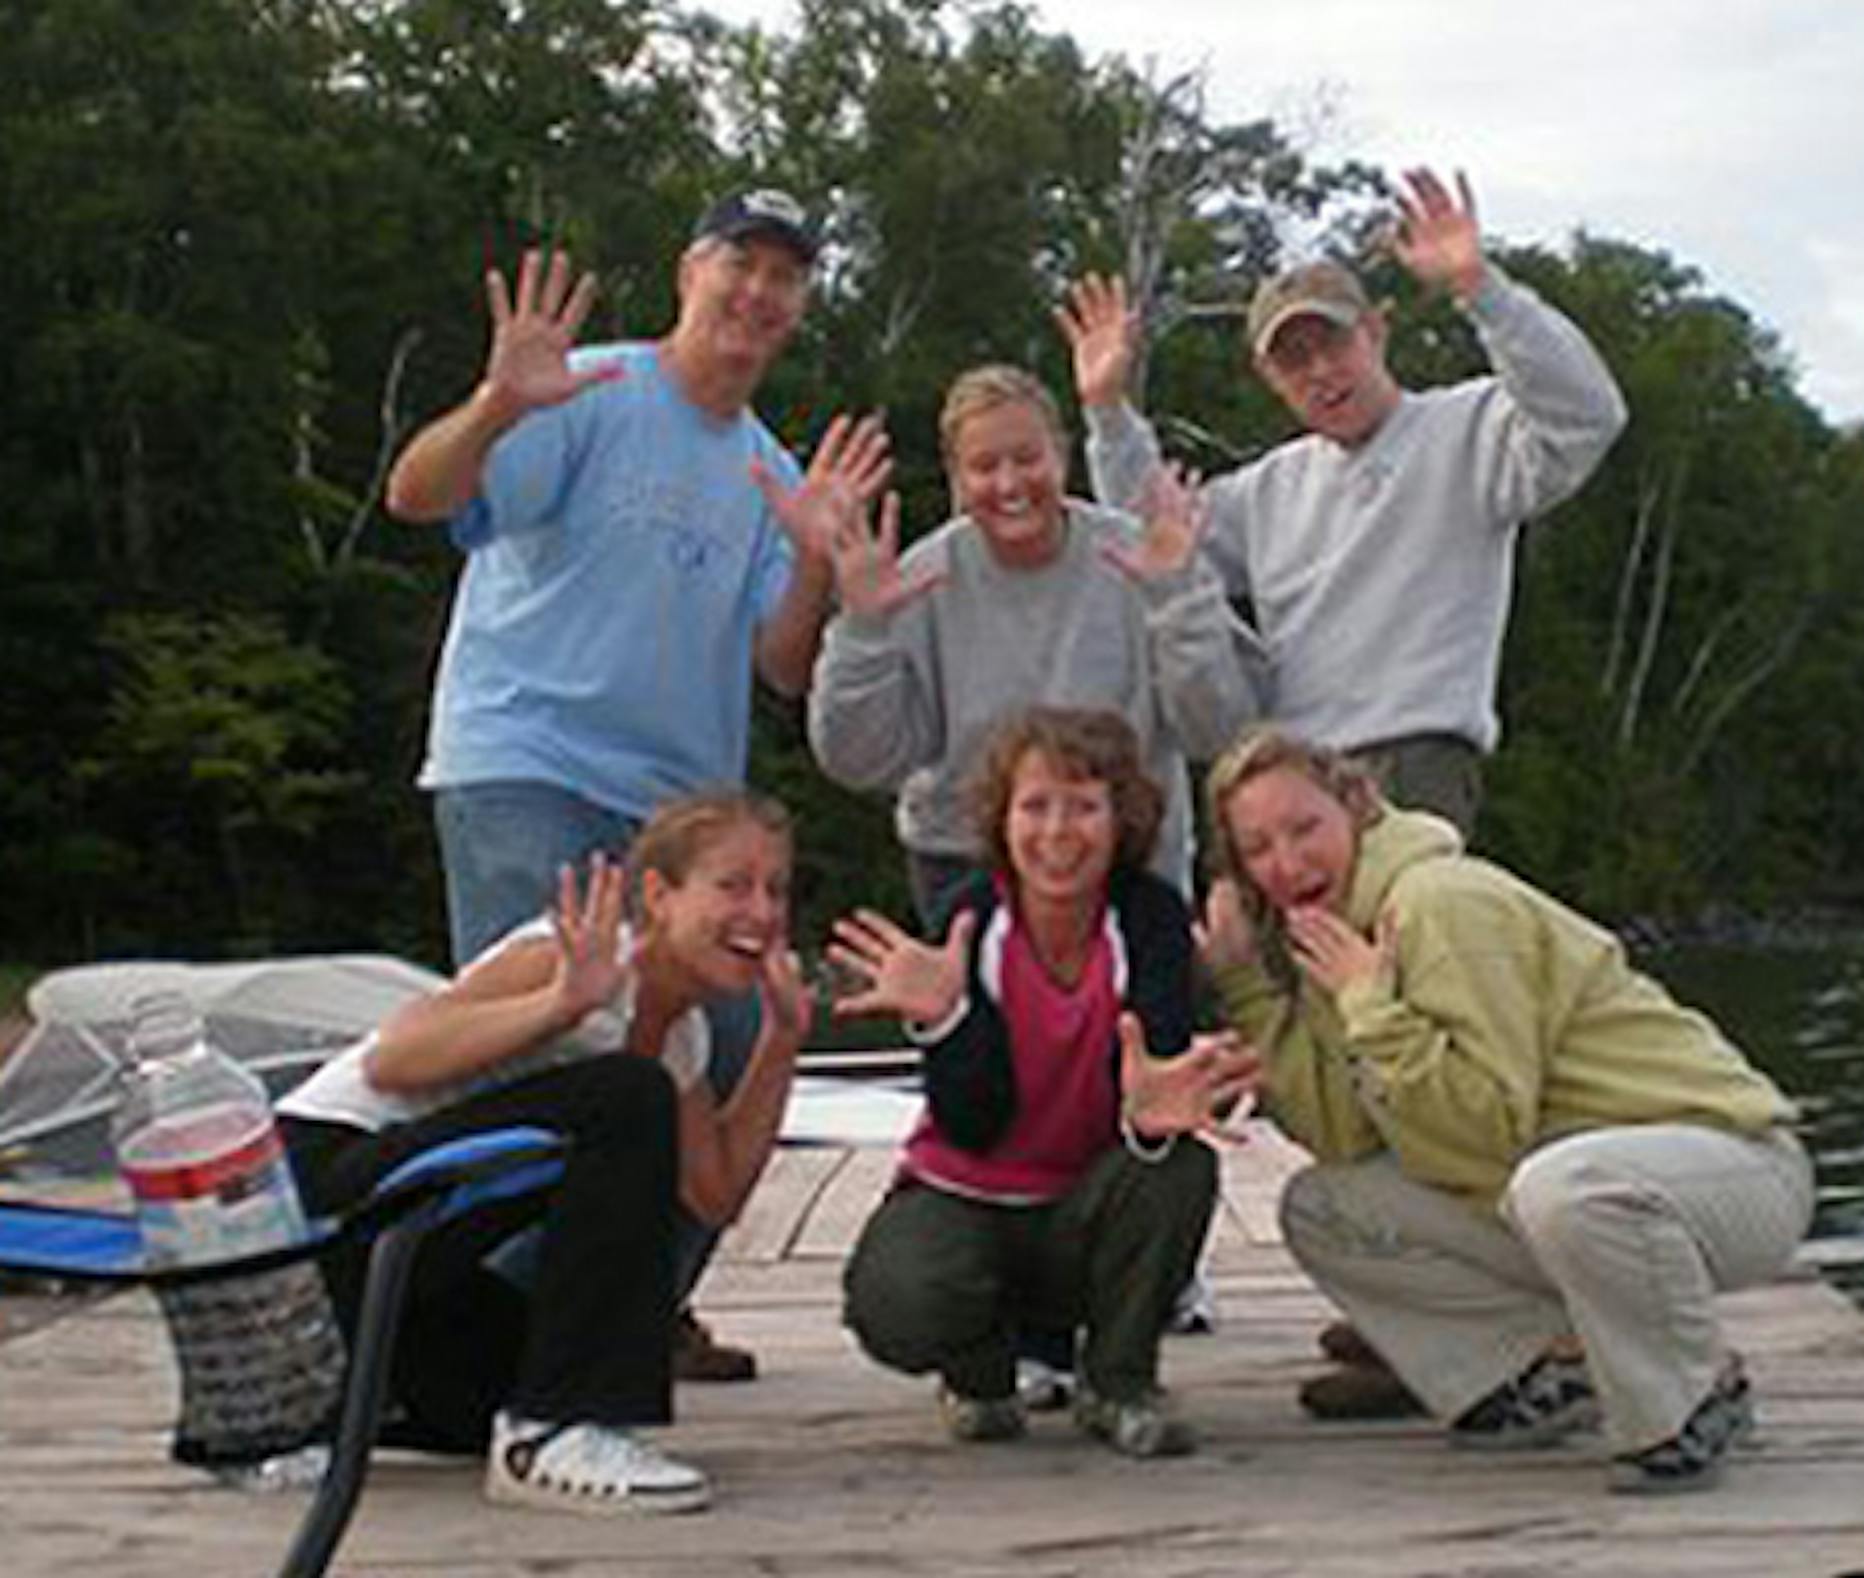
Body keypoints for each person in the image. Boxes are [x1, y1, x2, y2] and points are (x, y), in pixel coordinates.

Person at [386, 188, 885, 1378]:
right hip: (529, 765)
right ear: (688, 271)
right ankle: (474, 1340)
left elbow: (780, 666)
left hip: (679, 815)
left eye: (784, 278)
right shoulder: (589, 389)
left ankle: (624, 1307)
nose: (757, 294)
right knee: (547, 1047)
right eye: (740, 265)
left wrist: (814, 559)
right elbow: (418, 494)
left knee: (714, 1042)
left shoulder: (770, 473)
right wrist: (501, 399)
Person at [1197, 728, 1813, 1492]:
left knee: (1564, 1187)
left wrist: (1368, 1003)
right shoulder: (1331, 936)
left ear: (1357, 806)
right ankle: (1545, 1378)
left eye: (1304, 828)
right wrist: (1250, 985)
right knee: (1325, 1207)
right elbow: (1344, 1138)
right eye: (1256, 848)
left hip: (1734, 1166)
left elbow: (1486, 1127)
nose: (1286, 863)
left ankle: (1688, 1400)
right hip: (1570, 1183)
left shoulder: (1440, 903)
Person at [275, 789, 810, 1515]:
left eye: (776, 890)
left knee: (503, 1377)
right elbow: (392, 1059)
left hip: (407, 1256)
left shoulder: (685, 1037)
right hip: (320, 1189)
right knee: (627, 1092)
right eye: (733, 885)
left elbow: (713, 1196)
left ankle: (344, 1401)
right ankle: (554, 1430)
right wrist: (561, 1004)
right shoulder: (569, 955)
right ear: (657, 894)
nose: (762, 912)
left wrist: (781, 1040)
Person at [1061, 165, 1628, 839]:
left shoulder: (1469, 430)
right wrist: (1107, 411)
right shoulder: (1265, 491)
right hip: (1288, 777)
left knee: (1398, 944)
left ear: (1376, 333)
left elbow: (1589, 415)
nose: (1320, 371)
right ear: (1270, 377)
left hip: (1416, 769)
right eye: (1293, 359)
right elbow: (1151, 537)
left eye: (1333, 342)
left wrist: (1481, 289)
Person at [830, 708, 1261, 1458]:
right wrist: (945, 1022)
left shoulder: (1150, 917)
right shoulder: (969, 918)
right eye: (1035, 805)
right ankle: (981, 1375)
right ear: (1001, 818)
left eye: (1084, 805)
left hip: (1086, 1202)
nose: (1057, 831)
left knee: (1181, 1164)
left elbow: (1153, 1085)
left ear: (1121, 818)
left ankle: (1119, 1383)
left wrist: (1157, 1106)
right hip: (971, 1196)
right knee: (896, 1300)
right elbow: (970, 1123)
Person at [806, 363, 1262, 927]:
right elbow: (856, 760)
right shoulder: (917, 578)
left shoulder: (1142, 555)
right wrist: (862, 629)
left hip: (1129, 858)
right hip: (966, 863)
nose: (1009, 484)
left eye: (1027, 459)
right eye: (984, 466)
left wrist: (1178, 599)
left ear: (1062, 456)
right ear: (954, 475)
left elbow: (1215, 731)